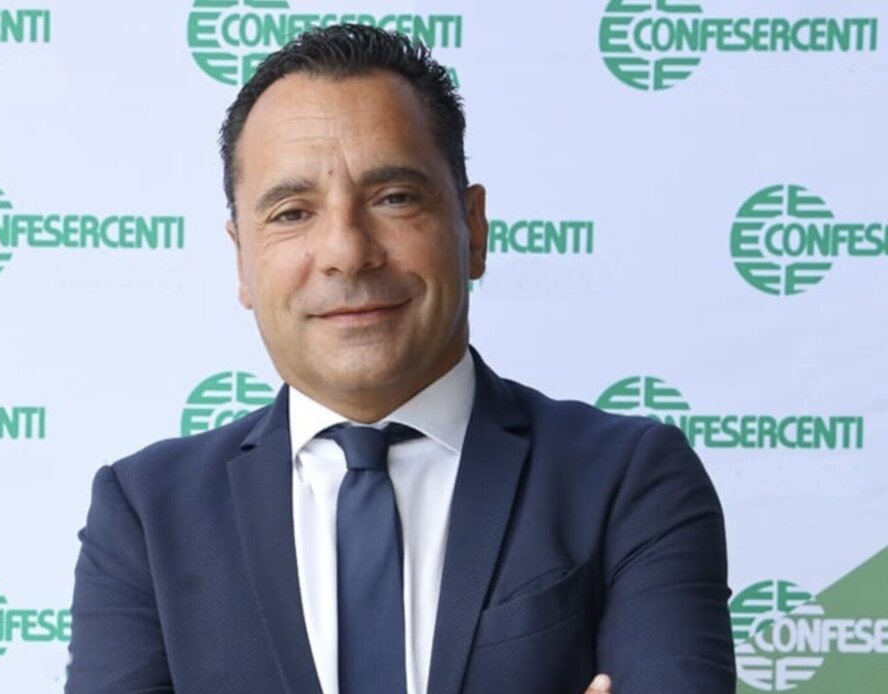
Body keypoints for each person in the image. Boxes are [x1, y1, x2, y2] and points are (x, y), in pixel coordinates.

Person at [66, 24, 735, 694]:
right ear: (242, 259)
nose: (347, 252)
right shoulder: (146, 513)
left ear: (473, 228)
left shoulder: (628, 481)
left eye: (395, 198)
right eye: (292, 213)